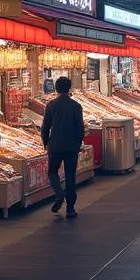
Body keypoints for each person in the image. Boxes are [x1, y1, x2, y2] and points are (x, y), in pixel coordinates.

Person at [40, 76, 85, 218]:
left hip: (56, 145)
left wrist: (45, 142)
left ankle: (59, 194)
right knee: (70, 176)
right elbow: (80, 129)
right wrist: (78, 143)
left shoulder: (51, 105)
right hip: (72, 146)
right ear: (69, 88)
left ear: (56, 89)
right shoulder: (76, 106)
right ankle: (70, 208)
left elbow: (45, 127)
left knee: (52, 172)